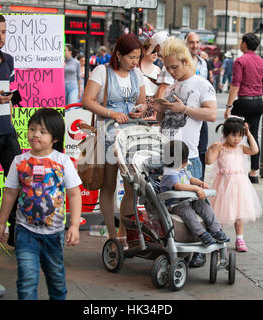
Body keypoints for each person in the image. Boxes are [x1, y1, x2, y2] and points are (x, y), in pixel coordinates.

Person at [0, 108, 82, 300]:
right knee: (27, 280)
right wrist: (2, 222)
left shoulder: (62, 161)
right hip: (25, 232)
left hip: (54, 234)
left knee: (56, 280)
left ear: (55, 138)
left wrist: (74, 225)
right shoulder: (19, 161)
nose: (35, 134)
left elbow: (74, 194)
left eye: (43, 131)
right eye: (32, 129)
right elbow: (10, 193)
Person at [151, 36, 217, 268]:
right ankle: (179, 246)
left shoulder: (201, 84)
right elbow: (162, 119)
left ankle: (201, 249)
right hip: (167, 155)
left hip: (188, 158)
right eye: (167, 67)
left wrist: (184, 108)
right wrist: (157, 108)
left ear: (186, 61)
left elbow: (211, 114)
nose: (171, 71)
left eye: (174, 67)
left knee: (197, 204)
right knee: (175, 208)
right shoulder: (171, 86)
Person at [82, 33, 147, 248]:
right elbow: (87, 101)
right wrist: (111, 113)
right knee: (109, 185)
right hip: (108, 133)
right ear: (118, 54)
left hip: (131, 136)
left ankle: (124, 232)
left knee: (131, 187)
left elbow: (142, 103)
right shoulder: (102, 72)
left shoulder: (137, 75)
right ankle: (112, 235)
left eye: (138, 57)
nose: (135, 62)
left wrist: (140, 110)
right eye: (131, 57)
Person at [206, 117, 262, 252]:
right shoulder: (220, 148)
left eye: (240, 136)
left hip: (239, 185)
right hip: (223, 184)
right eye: (234, 136)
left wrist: (249, 134)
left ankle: (240, 239)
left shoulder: (241, 148)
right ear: (225, 134)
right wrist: (211, 149)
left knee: (239, 213)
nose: (237, 139)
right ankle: (219, 237)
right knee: (220, 212)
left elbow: (255, 150)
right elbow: (209, 161)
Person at [160, 140, 229, 246]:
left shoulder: (181, 170)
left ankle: (216, 230)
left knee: (204, 207)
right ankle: (201, 234)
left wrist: (201, 183)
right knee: (188, 213)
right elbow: (178, 186)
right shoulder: (170, 173)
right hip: (176, 204)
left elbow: (191, 179)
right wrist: (196, 189)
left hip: (188, 200)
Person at [225, 32, 263, 184]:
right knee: (253, 135)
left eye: (241, 41)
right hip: (258, 103)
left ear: (245, 43)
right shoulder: (262, 62)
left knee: (233, 133)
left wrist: (228, 106)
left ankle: (232, 167)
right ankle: (253, 172)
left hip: (243, 102)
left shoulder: (240, 61)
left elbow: (236, 84)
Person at [0, 13, 21, 247]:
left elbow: (10, 97)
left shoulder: (9, 60)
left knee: (17, 181)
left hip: (6, 131)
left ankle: (15, 232)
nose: (0, 36)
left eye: (3, 31)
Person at [185, 32, 209, 183]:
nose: (195, 46)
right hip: (187, 113)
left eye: (197, 42)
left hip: (202, 113)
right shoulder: (182, 62)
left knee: (202, 150)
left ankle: (201, 181)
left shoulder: (203, 63)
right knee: (187, 150)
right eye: (192, 42)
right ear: (186, 44)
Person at [139, 37, 161, 120]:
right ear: (144, 51)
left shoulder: (158, 69)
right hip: (139, 106)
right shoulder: (136, 67)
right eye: (153, 51)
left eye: (157, 52)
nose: (155, 54)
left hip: (153, 107)